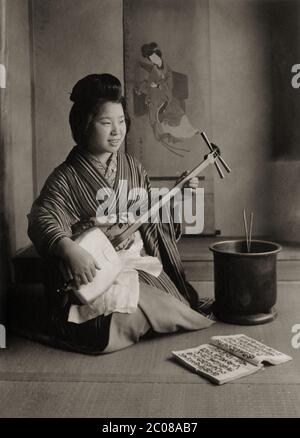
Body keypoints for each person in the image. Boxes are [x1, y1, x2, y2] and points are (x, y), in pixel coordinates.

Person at [27, 73, 213, 355]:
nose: (116, 131)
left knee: (168, 300)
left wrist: (180, 194)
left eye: (121, 122)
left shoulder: (132, 167)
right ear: (84, 125)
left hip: (132, 262)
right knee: (130, 312)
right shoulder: (65, 176)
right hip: (92, 270)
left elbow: (151, 217)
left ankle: (150, 312)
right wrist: (68, 249)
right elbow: (43, 216)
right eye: (106, 123)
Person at [135, 42, 199, 155]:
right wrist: (151, 85)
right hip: (155, 91)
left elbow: (169, 83)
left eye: (155, 57)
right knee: (154, 107)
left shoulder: (166, 67)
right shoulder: (155, 68)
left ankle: (186, 131)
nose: (154, 60)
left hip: (164, 92)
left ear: (158, 55)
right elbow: (151, 77)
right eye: (151, 59)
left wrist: (159, 86)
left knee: (173, 109)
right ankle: (165, 132)